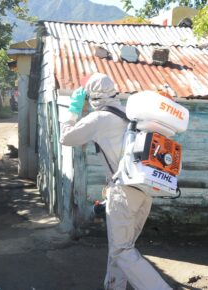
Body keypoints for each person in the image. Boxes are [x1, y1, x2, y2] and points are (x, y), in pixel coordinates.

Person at [60, 73, 171, 290]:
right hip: (144, 192)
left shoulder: (99, 119)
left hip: (123, 193)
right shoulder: (131, 116)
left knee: (122, 251)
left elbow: (67, 138)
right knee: (121, 250)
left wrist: (73, 111)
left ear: (92, 97)